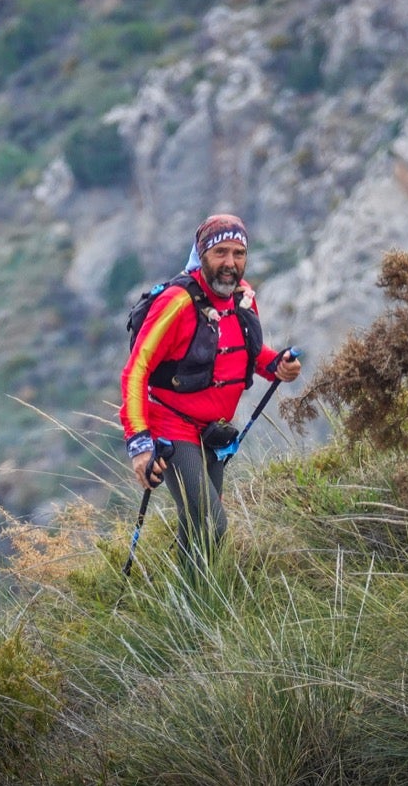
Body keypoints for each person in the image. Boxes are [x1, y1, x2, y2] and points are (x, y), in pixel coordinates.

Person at [120, 213, 300, 572]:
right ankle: (195, 606)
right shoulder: (176, 302)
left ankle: (188, 611)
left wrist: (276, 364)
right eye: (220, 252)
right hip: (172, 429)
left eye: (238, 253)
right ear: (201, 254)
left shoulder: (244, 298)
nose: (230, 264)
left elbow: (245, 352)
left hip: (215, 432)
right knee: (212, 524)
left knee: (195, 523)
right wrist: (139, 445)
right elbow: (136, 369)